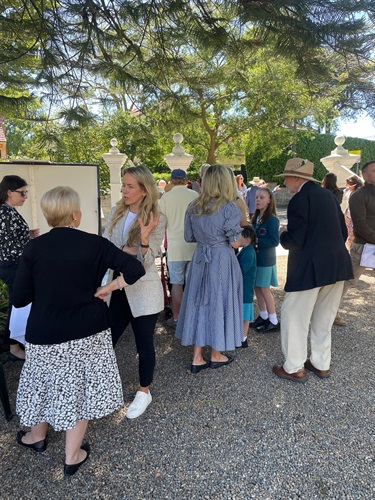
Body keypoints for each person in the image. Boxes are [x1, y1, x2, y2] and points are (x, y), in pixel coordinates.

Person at [12, 186, 145, 477]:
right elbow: (134, 269)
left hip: (46, 331)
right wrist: (109, 287)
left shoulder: (35, 248)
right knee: (81, 387)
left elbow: (19, 298)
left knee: (42, 383)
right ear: (76, 214)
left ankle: (36, 438)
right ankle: (72, 456)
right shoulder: (95, 244)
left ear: (48, 215)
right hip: (89, 330)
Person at [272, 158, 353, 383]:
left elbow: (295, 240)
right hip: (337, 264)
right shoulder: (328, 195)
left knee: (294, 316)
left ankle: (294, 367)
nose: (286, 181)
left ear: (297, 178)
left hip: (310, 268)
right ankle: (320, 363)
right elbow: (343, 233)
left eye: (287, 177)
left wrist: (283, 235)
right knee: (323, 318)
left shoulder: (300, 199)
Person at [102, 165, 166, 419]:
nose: (124, 190)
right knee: (106, 341)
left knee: (144, 344)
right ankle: (104, 387)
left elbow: (148, 261)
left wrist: (143, 242)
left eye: (129, 186)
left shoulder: (157, 217)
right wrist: (131, 249)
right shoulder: (116, 212)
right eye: (123, 185)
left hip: (144, 291)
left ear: (143, 190)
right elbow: (106, 246)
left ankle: (144, 391)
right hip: (117, 288)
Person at [175, 164, 243, 373]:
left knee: (199, 301)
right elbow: (234, 242)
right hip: (221, 258)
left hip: (200, 258)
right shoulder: (229, 207)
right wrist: (242, 241)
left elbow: (189, 237)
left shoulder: (194, 206)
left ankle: (197, 357)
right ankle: (216, 353)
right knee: (219, 301)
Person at [0, 175, 39, 361]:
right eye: (22, 193)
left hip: (12, 264)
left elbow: (13, 240)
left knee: (18, 302)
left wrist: (28, 236)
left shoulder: (9, 211)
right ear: (9, 192)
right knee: (19, 303)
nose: (25, 196)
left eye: (26, 193)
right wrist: (34, 249)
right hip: (11, 265)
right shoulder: (4, 213)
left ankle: (17, 343)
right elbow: (10, 248)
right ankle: (14, 347)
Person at [335, 160, 375, 326]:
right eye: (374, 171)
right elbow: (360, 223)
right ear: (364, 175)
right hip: (363, 246)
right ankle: (331, 311)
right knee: (349, 280)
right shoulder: (360, 195)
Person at [159, 169, 198, 328]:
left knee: (176, 283)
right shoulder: (195, 196)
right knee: (192, 284)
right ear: (187, 180)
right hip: (194, 246)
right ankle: (192, 318)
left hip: (175, 247)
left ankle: (177, 317)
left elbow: (162, 225)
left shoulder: (165, 198)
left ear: (171, 181)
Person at [250, 188, 280, 332]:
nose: (258, 200)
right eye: (256, 197)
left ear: (269, 200)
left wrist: (254, 242)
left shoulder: (272, 220)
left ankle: (273, 320)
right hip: (257, 259)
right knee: (257, 287)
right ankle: (263, 315)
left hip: (266, 260)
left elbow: (274, 241)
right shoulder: (256, 217)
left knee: (264, 288)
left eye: (261, 197)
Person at [237, 226, 257, 348]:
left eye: (240, 236)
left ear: (247, 239)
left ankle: (243, 338)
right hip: (244, 288)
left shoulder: (249, 253)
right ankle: (242, 337)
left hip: (245, 288)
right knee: (243, 313)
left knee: (245, 314)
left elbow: (241, 270)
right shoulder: (246, 250)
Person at [342, 175, 364, 251]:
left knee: (351, 237)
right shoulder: (350, 191)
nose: (346, 185)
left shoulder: (358, 192)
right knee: (350, 235)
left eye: (347, 183)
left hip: (353, 218)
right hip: (349, 217)